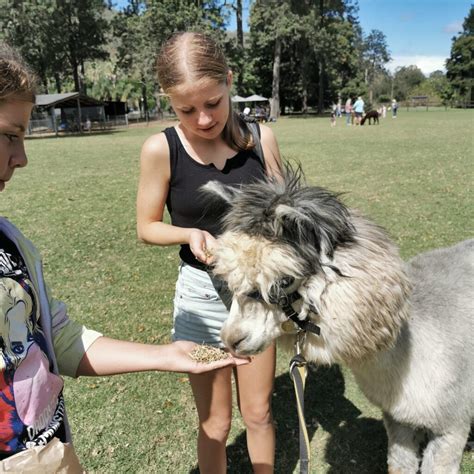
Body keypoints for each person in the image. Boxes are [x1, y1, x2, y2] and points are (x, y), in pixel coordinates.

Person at [0, 43, 248, 468]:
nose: (22, 158)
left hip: (46, 454)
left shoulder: (10, 241)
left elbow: (54, 338)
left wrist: (164, 355)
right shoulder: (163, 149)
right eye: (9, 135)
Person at [136, 32, 282, 474]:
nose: (203, 119)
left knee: (257, 414)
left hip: (256, 296)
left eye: (214, 103)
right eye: (186, 109)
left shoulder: (261, 139)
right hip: (200, 299)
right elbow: (146, 227)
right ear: (169, 101)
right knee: (216, 424)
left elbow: (286, 214)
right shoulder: (161, 149)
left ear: (229, 81)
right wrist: (188, 234)